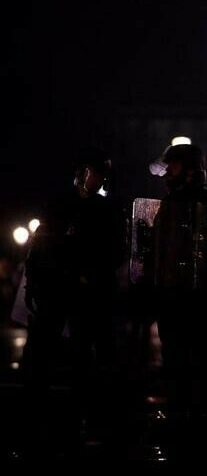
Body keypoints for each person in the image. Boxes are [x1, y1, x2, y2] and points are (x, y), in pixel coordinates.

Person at [22, 147, 125, 452]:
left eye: (105, 174)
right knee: (41, 353)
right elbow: (40, 245)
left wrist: (92, 275)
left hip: (87, 292)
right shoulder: (59, 205)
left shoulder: (106, 210)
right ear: (83, 173)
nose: (102, 179)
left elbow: (115, 251)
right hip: (56, 287)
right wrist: (34, 282)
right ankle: (36, 414)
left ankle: (77, 416)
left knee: (83, 355)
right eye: (98, 173)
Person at [148, 143, 207, 450]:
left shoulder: (206, 204)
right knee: (175, 358)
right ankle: (181, 413)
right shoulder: (169, 203)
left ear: (189, 169)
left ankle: (205, 418)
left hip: (200, 300)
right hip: (172, 299)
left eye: (173, 166)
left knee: (204, 359)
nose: (168, 172)